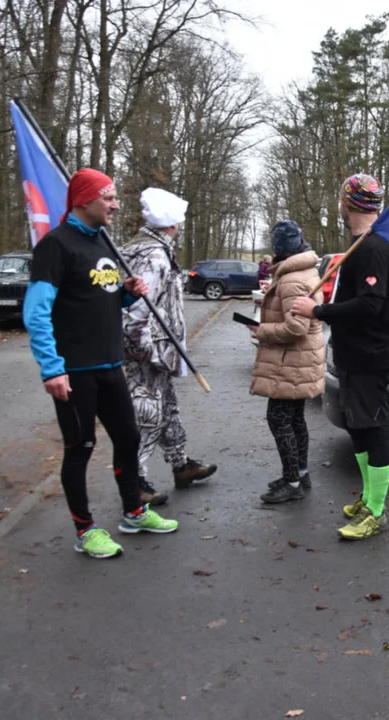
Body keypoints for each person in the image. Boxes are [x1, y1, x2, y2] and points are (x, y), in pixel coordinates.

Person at [24, 169, 179, 560]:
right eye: (108, 198)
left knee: (127, 438)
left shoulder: (104, 243)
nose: (115, 205)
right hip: (73, 371)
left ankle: (133, 512)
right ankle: (86, 529)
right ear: (84, 200)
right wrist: (51, 368)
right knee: (81, 447)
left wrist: (127, 295)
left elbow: (102, 299)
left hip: (110, 364)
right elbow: (37, 313)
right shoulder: (56, 246)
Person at [290, 174, 389, 541]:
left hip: (372, 356)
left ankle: (377, 511)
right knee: (358, 428)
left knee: (373, 427)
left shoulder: (372, 248)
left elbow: (371, 305)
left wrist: (319, 312)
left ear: (349, 203)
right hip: (353, 355)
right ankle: (368, 499)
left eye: (341, 199)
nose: (339, 204)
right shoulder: (358, 245)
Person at [121, 187, 217, 507]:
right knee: (147, 414)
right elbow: (136, 312)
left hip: (160, 352)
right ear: (172, 223)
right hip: (147, 354)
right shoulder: (153, 255)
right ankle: (135, 482)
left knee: (168, 410)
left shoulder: (148, 248)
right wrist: (145, 351)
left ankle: (181, 464)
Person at [252, 220, 325, 503]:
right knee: (294, 419)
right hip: (298, 362)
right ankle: (299, 473)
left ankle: (292, 482)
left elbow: (296, 329)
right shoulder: (300, 272)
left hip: (292, 363)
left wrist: (262, 330)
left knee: (279, 418)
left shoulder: (294, 278)